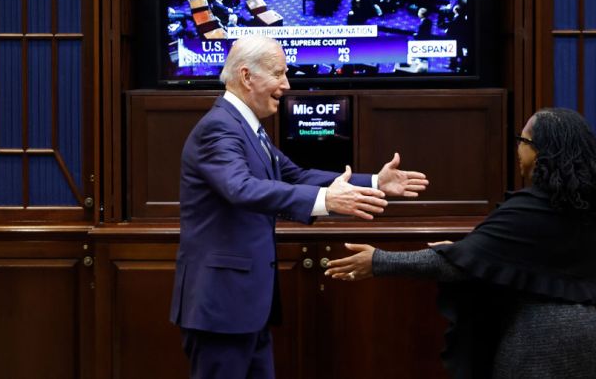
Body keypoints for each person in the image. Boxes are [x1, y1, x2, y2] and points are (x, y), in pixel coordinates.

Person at [170, 36, 430, 379]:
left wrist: (373, 183)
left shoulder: (247, 128)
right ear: (247, 77)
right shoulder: (219, 128)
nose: (287, 84)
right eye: (279, 74)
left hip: (247, 308)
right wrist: (326, 201)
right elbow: (241, 188)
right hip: (222, 307)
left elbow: (295, 175)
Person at [326, 108, 596, 379]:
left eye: (522, 140)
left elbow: (456, 267)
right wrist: (469, 251)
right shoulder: (587, 206)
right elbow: (524, 256)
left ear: (540, 152)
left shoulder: (530, 208)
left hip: (546, 338)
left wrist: (378, 260)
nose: (518, 149)